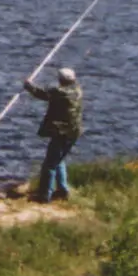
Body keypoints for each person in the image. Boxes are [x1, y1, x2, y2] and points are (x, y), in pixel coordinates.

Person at [23, 68, 84, 203]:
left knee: (49, 164)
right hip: (74, 132)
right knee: (59, 160)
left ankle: (44, 195)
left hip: (61, 133)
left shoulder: (60, 92)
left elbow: (41, 93)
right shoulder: (78, 90)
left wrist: (28, 85)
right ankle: (62, 191)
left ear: (61, 80)